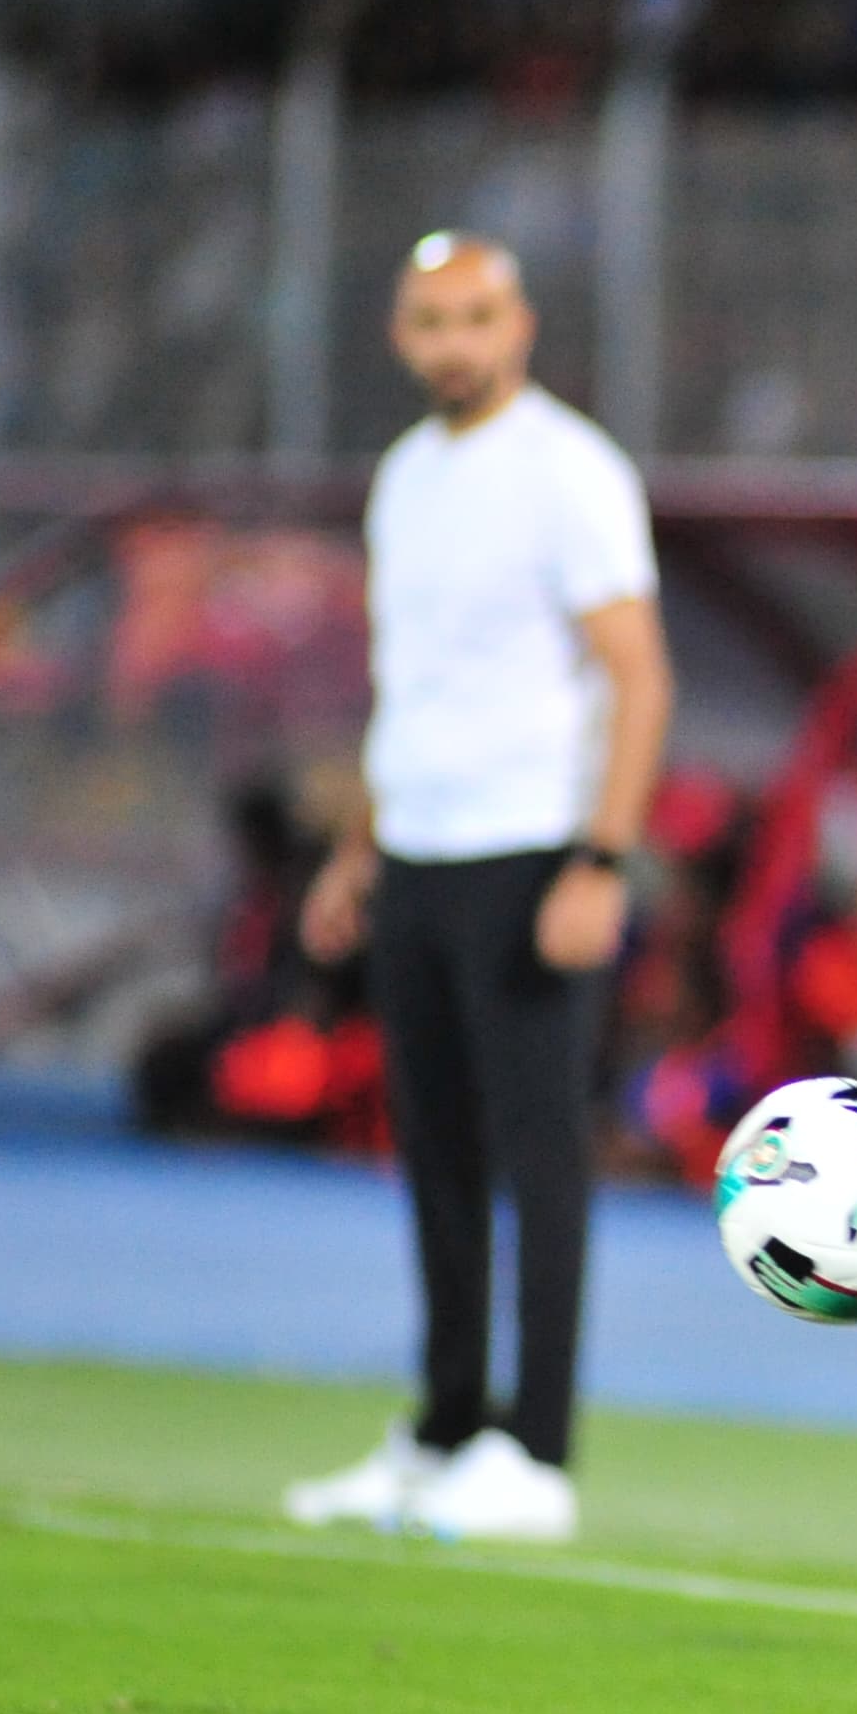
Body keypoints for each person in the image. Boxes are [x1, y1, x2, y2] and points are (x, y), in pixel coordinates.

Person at [285, 235, 674, 1544]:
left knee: (539, 1153)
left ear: (522, 325)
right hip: (418, 854)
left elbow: (638, 675)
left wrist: (601, 859)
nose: (454, 341)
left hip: (528, 850)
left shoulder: (571, 471)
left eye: (476, 316)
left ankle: (538, 1452)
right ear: (401, 336)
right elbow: (417, 688)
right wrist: (356, 852)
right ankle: (448, 1424)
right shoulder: (404, 478)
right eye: (430, 319)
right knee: (435, 1150)